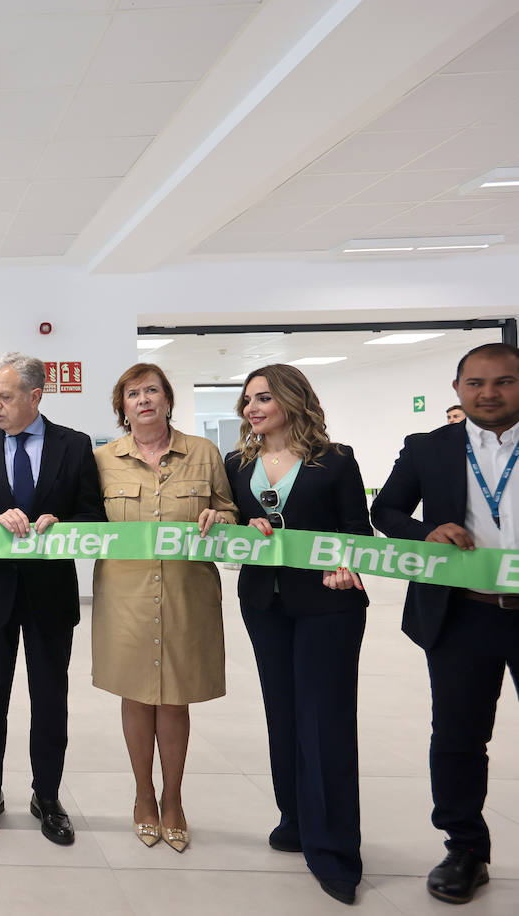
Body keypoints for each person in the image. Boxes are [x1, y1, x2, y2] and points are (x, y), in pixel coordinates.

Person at [372, 342, 519, 905]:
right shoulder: (429, 448)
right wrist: (425, 532)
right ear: (457, 388)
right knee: (458, 737)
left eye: (504, 382)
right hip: (464, 613)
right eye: (476, 383)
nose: (489, 393)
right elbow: (385, 512)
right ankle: (465, 849)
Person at [224, 363, 369, 906]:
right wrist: (237, 524)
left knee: (324, 720)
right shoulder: (238, 462)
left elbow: (357, 530)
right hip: (264, 604)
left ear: (291, 398)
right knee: (281, 713)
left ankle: (334, 851)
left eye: (262, 398)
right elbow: (234, 522)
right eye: (246, 401)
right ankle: (295, 819)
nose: (251, 409)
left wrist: (346, 563)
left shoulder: (335, 460)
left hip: (327, 604)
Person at [0, 353, 103, 846]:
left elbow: (93, 515)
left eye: (6, 396)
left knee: (49, 698)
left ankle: (48, 794)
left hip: (50, 594)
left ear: (35, 396)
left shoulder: (74, 446)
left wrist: (65, 524)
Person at [92, 363, 237, 853]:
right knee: (135, 696)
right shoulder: (103, 459)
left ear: (168, 399)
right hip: (126, 595)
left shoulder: (203, 453)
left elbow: (231, 511)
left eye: (152, 390)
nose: (144, 399)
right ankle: (142, 797)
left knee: (175, 698)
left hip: (185, 590)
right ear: (122, 408)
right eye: (133, 393)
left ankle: (173, 800)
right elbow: (83, 518)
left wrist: (222, 516)